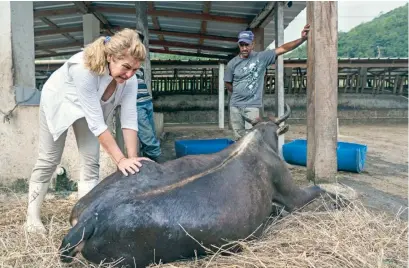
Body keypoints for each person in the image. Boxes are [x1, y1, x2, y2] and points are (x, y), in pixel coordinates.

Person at [24, 28, 151, 234]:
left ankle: (85, 219)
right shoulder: (84, 69)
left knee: (91, 161)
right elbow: (97, 124)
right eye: (126, 67)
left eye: (135, 69)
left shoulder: (131, 81)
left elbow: (129, 119)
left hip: (89, 110)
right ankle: (32, 218)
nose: (129, 74)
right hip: (60, 101)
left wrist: (132, 158)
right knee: (49, 159)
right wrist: (120, 160)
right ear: (111, 57)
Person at [224, 24, 310, 140]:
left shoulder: (262, 58)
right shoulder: (232, 63)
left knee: (253, 137)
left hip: (252, 106)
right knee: (238, 138)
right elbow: (228, 84)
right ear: (239, 45)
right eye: (241, 45)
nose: (244, 48)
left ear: (252, 44)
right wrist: (239, 93)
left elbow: (284, 48)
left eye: (247, 45)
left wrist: (302, 39)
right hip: (235, 106)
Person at [135, 68, 163, 162]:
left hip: (147, 101)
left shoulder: (140, 67)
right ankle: (156, 158)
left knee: (151, 131)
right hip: (137, 104)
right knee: (146, 134)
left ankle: (149, 158)